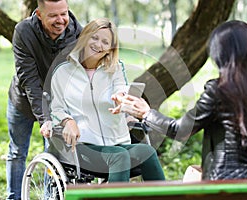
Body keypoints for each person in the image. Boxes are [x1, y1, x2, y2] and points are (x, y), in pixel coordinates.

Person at [111, 20, 247, 180]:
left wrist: (146, 113)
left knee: (189, 176)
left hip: (224, 183)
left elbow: (180, 130)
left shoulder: (220, 91)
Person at [41, 18, 165, 182]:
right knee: (119, 156)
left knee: (147, 151)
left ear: (110, 49)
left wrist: (122, 100)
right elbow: (56, 109)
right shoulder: (63, 72)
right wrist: (67, 121)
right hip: (82, 146)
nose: (98, 45)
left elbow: (120, 90)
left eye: (105, 42)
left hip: (117, 142)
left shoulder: (115, 69)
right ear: (85, 37)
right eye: (94, 38)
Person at [6, 0, 82, 199]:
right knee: (17, 152)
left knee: (52, 152)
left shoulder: (78, 34)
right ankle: (14, 197)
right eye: (53, 16)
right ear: (39, 14)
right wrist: (44, 118)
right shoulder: (23, 31)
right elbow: (30, 80)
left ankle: (49, 197)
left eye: (63, 13)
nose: (61, 20)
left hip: (57, 103)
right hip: (22, 100)